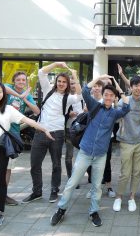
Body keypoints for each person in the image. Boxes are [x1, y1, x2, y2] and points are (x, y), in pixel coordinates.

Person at [50, 75, 130, 227]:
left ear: (114, 98)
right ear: (103, 95)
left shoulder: (115, 113)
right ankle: (61, 209)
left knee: (96, 186)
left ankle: (94, 211)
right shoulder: (94, 106)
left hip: (100, 155)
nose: (108, 97)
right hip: (85, 152)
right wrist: (100, 77)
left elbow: (127, 107)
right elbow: (86, 90)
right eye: (106, 94)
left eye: (111, 96)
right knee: (72, 182)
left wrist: (119, 90)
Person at [0, 82, 53, 228]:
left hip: (0, 150)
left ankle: (0, 212)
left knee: (0, 182)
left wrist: (44, 129)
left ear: (3, 94)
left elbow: (28, 120)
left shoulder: (8, 109)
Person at [22, 62, 82, 204]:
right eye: (59, 81)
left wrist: (74, 75)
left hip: (57, 134)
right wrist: (56, 64)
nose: (61, 84)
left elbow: (79, 94)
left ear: (67, 84)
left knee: (56, 164)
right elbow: (41, 72)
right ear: (56, 82)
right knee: (35, 164)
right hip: (40, 132)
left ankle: (54, 190)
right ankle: (37, 192)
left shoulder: (68, 98)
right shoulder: (48, 89)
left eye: (64, 82)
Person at [113, 75, 140, 213]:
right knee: (125, 173)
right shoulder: (124, 100)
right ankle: (118, 197)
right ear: (130, 87)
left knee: (137, 172)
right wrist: (119, 105)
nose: (138, 88)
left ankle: (132, 197)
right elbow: (116, 117)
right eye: (135, 85)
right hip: (126, 141)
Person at [86, 79, 117, 199]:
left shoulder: (108, 101)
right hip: (91, 137)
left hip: (106, 138)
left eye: (99, 86)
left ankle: (108, 186)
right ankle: (93, 187)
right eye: (95, 86)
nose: (97, 88)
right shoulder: (89, 100)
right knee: (90, 163)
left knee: (106, 161)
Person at [65, 78, 84, 186]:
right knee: (69, 155)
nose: (73, 86)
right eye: (71, 84)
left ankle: (85, 176)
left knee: (83, 154)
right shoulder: (65, 97)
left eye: (74, 84)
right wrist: (68, 114)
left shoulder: (82, 97)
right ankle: (71, 178)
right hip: (70, 129)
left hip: (82, 129)